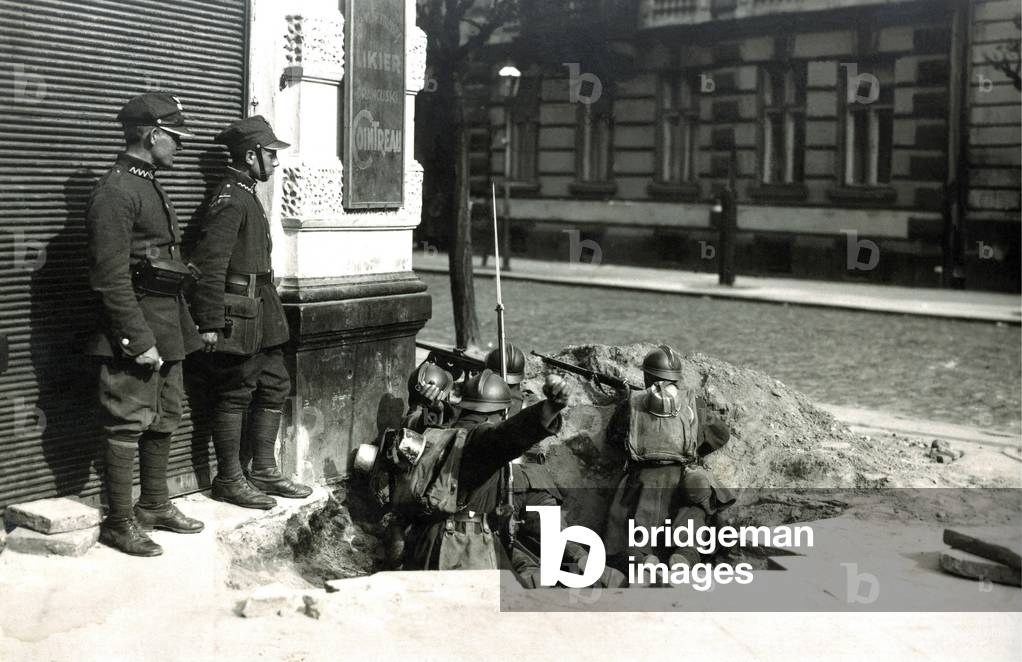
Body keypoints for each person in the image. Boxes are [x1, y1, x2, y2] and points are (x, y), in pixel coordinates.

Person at [85, 92, 205, 557]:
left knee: (164, 415)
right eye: (175, 137)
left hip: (167, 322)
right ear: (153, 135)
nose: (179, 146)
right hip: (134, 329)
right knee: (126, 422)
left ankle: (154, 503)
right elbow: (109, 277)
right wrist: (136, 340)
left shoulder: (146, 182)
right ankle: (119, 522)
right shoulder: (116, 191)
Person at [187, 116, 311, 510]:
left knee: (275, 384)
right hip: (238, 315)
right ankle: (228, 479)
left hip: (263, 312)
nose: (275, 163)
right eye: (271, 154)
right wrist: (208, 321)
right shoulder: (229, 199)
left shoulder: (245, 193)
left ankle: (265, 470)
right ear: (250, 154)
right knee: (235, 391)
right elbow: (210, 264)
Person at [449, 366, 624, 588]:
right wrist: (548, 409)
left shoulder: (449, 432)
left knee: (519, 549)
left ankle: (554, 572)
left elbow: (507, 434)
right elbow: (508, 434)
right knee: (547, 546)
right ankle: (593, 570)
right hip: (531, 487)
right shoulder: (500, 422)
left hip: (508, 492)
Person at [402, 370, 571, 570]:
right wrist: (548, 410)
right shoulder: (480, 441)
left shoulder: (438, 432)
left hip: (425, 544)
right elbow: (509, 435)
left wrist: (426, 404)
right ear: (502, 413)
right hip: (461, 551)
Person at [603, 345, 734, 579]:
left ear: (647, 375)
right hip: (683, 479)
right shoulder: (695, 404)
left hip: (641, 482)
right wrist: (693, 452)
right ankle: (685, 555)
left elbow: (613, 440)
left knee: (627, 533)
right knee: (695, 513)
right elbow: (721, 435)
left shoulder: (632, 403)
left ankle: (643, 560)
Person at [400, 360, 455, 434]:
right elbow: (424, 426)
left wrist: (435, 409)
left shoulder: (414, 414)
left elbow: (425, 425)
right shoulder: (415, 416)